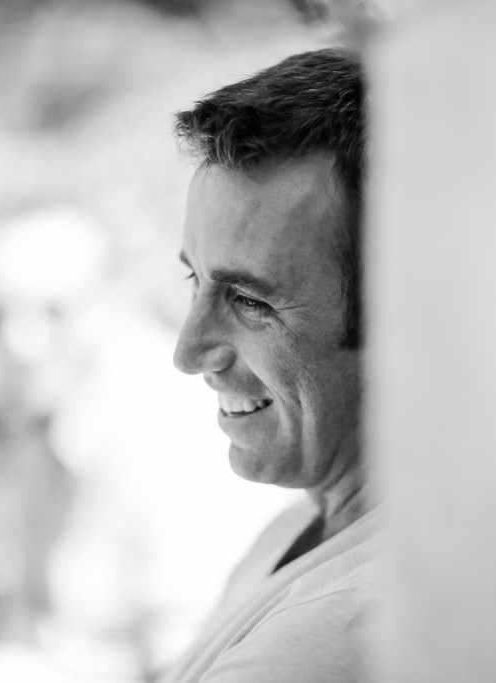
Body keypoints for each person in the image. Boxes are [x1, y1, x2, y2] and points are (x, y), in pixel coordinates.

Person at [162, 48, 374, 683]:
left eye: (249, 301)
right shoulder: (300, 528)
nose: (188, 351)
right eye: (193, 278)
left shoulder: (339, 630)